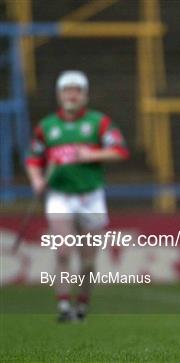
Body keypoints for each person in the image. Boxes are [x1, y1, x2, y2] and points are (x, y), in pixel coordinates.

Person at [25, 70, 129, 322]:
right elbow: (33, 158)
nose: (72, 95)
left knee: (89, 262)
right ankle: (63, 306)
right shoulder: (47, 127)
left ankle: (82, 304)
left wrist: (90, 155)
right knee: (63, 251)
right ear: (59, 95)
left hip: (90, 197)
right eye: (67, 90)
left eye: (77, 90)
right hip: (60, 196)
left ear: (85, 94)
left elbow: (119, 151)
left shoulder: (98, 122)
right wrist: (37, 180)